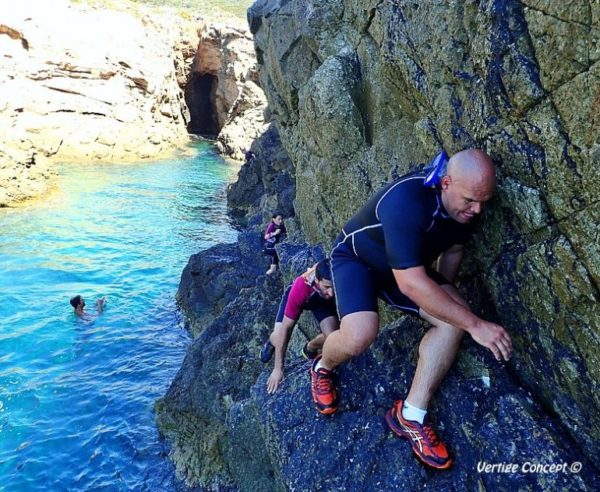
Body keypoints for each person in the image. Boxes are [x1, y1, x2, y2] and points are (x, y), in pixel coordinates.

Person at [309, 149, 513, 470]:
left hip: (405, 269)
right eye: (471, 200)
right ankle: (323, 367)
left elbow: (454, 249)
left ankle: (410, 416)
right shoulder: (407, 201)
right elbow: (412, 285)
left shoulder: (468, 211)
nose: (477, 210)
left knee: (452, 320)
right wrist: (475, 324)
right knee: (359, 336)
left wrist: (443, 300)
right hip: (358, 260)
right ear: (445, 183)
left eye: (484, 202)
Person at [261, 259, 339, 394]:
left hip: (321, 302)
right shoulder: (301, 288)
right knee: (279, 335)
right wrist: (278, 368)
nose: (331, 292)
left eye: (334, 287)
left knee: (333, 336)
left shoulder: (332, 275)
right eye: (327, 287)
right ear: (317, 280)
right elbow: (287, 329)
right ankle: (271, 342)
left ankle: (310, 348)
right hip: (300, 297)